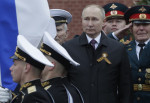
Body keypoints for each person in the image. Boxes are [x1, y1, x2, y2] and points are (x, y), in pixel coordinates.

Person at [62, 4, 132, 103]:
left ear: (103, 22)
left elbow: (125, 87)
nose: (90, 24)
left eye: (94, 19)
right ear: (81, 20)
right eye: (86, 19)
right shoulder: (69, 48)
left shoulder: (117, 48)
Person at [0, 35, 54, 103]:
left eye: (15, 64)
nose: (11, 68)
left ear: (26, 68)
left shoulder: (34, 96)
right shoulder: (27, 93)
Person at [40, 32, 84, 103]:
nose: (38, 63)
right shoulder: (69, 89)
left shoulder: (53, 92)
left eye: (42, 60)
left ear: (51, 65)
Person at [123, 5, 150, 103]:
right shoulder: (123, 49)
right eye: (137, 25)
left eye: (145, 24)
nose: (141, 28)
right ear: (131, 28)